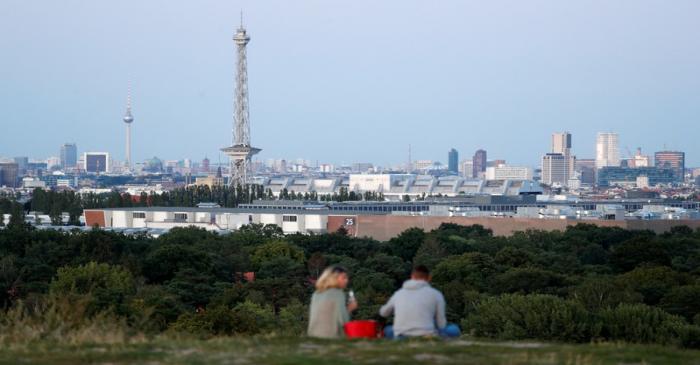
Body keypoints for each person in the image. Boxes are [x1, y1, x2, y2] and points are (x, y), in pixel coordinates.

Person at [379, 265, 460, 339]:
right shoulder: (436, 294)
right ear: (429, 278)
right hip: (427, 334)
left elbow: (383, 313)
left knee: (388, 329)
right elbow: (441, 324)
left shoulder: (399, 293)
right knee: (454, 329)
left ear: (412, 277)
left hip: (401, 335)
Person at [307, 266, 358, 339]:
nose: (346, 280)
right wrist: (350, 308)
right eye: (343, 277)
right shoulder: (337, 293)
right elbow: (343, 320)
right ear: (334, 278)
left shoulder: (316, 294)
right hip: (330, 338)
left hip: (313, 337)